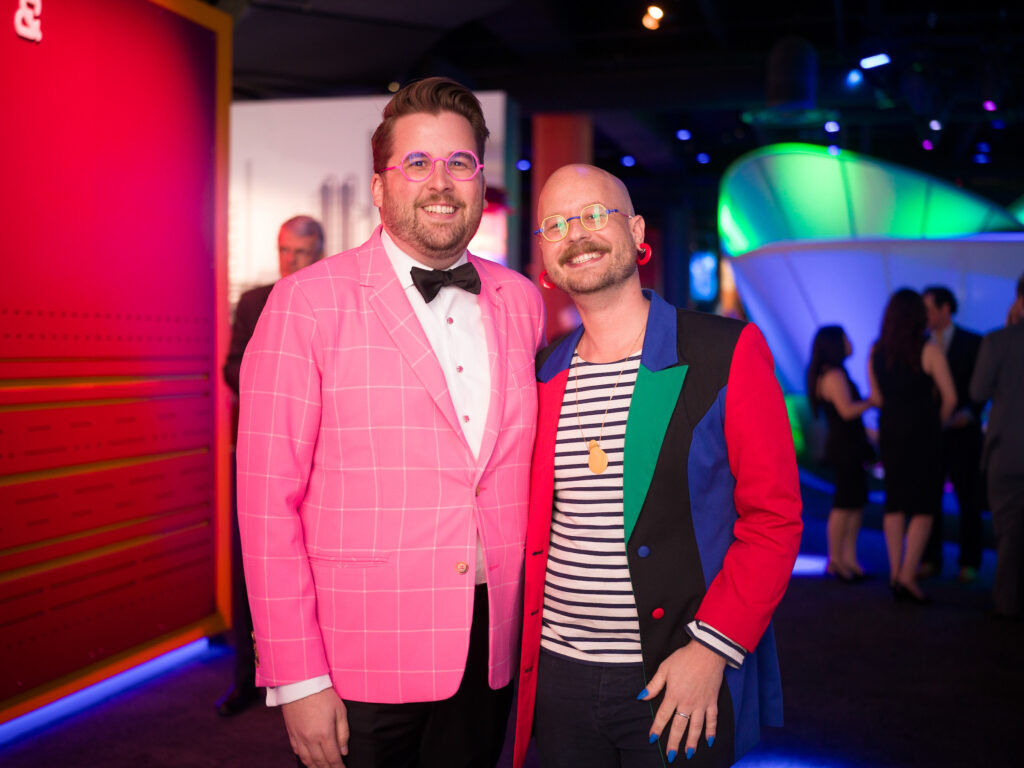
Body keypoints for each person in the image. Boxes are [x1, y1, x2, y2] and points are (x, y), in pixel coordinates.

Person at [237, 78, 546, 768]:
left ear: (481, 180)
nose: (441, 181)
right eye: (418, 163)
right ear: (379, 187)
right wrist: (298, 676)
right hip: (357, 660)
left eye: (459, 163)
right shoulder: (305, 305)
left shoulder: (522, 302)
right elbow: (266, 504)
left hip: (487, 649)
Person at [513, 164, 803, 768]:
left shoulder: (724, 350)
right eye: (556, 224)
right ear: (543, 250)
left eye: (595, 214)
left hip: (676, 669)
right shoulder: (540, 371)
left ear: (637, 229)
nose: (578, 233)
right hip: (559, 679)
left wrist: (712, 650)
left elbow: (773, 520)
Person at [216, 215, 324, 717]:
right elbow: (231, 367)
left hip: (322, 462)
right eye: (287, 251)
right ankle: (247, 682)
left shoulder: (332, 297)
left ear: (319, 252)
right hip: (259, 457)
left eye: (303, 252)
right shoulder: (255, 301)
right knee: (250, 572)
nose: (294, 261)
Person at [868, 289, 956, 604]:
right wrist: (937, 423)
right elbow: (950, 398)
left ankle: (895, 573)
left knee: (895, 502)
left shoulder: (876, 351)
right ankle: (908, 575)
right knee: (923, 506)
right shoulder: (928, 350)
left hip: (891, 432)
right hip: (923, 435)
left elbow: (877, 398)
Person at [921, 286, 984, 582]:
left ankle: (969, 561)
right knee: (928, 497)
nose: (926, 316)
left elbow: (982, 387)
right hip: (932, 436)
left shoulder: (974, 341)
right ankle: (929, 558)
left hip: (964, 435)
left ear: (946, 309)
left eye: (930, 309)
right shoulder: (919, 343)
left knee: (968, 499)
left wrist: (969, 413)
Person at [970, 275, 1024, 619]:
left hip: (1009, 453)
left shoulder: (998, 341)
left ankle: (1007, 606)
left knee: (1009, 533)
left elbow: (977, 393)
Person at [806, 325, 873, 582]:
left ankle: (848, 559)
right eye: (845, 338)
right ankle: (836, 559)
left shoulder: (831, 373)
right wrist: (873, 400)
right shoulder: (833, 375)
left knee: (854, 502)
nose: (850, 342)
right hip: (845, 447)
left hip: (848, 445)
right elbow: (847, 411)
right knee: (845, 503)